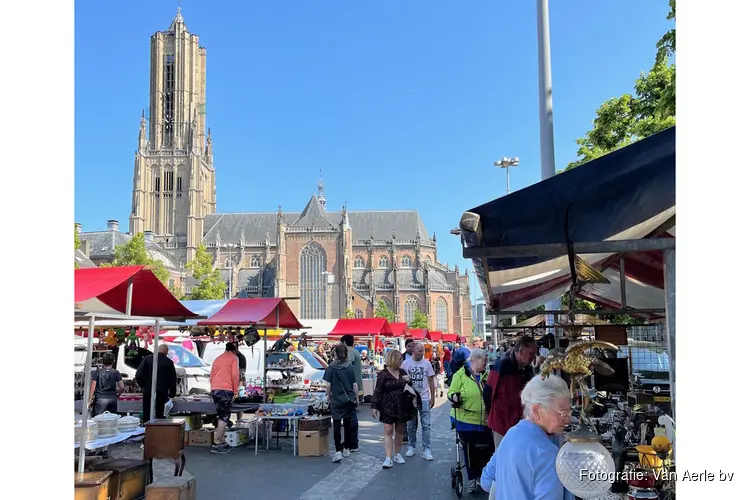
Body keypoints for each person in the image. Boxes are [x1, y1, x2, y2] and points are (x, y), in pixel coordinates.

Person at [480, 374, 573, 499]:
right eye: (563, 413)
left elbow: (486, 481)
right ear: (537, 411)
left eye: (569, 412)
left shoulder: (510, 435)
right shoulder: (548, 454)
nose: (568, 420)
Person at [448, 348, 493, 493]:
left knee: (487, 449)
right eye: (484, 360)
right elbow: (451, 392)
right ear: (475, 359)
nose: (486, 363)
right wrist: (455, 396)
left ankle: (484, 477)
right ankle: (473, 478)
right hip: (465, 420)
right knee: (470, 449)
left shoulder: (488, 375)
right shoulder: (460, 375)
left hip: (485, 420)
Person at [483, 336, 537, 447]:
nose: (534, 357)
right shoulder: (502, 366)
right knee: (503, 457)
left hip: (518, 422)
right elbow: (488, 393)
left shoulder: (526, 368)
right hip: (502, 423)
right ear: (521, 351)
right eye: (532, 353)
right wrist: (489, 413)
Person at [371, 349, 413, 469]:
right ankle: (388, 457)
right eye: (400, 358)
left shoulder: (402, 372)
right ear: (394, 359)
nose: (402, 361)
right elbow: (378, 390)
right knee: (388, 430)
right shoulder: (383, 374)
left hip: (402, 405)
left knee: (400, 430)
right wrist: (374, 406)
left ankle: (397, 454)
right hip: (387, 405)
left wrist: (409, 381)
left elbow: (410, 386)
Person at [324, 344, 359, 463]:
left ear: (335, 353)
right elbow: (354, 384)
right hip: (348, 399)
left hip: (336, 400)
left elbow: (328, 385)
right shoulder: (349, 367)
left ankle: (338, 451)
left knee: (337, 425)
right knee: (348, 425)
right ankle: (347, 448)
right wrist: (357, 398)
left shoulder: (331, 367)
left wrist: (328, 396)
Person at [401, 342, 436, 461]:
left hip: (424, 398)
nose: (422, 353)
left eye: (423, 351)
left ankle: (427, 449)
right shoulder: (405, 364)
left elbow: (431, 380)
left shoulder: (427, 363)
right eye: (420, 351)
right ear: (414, 351)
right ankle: (411, 446)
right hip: (410, 398)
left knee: (426, 424)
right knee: (411, 424)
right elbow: (402, 381)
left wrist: (433, 397)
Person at [209, 342, 239, 454]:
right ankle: (217, 442)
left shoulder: (217, 359)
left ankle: (222, 441)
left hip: (215, 389)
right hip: (226, 390)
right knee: (224, 416)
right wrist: (235, 390)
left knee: (221, 414)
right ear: (234, 350)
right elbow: (235, 375)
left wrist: (212, 387)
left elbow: (211, 375)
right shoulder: (233, 358)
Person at [135, 344, 177, 424]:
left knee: (147, 411)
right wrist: (172, 394)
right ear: (166, 352)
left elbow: (139, 375)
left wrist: (143, 386)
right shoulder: (169, 362)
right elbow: (172, 380)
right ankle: (158, 431)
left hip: (148, 390)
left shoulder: (147, 359)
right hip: (162, 391)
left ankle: (146, 428)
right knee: (160, 414)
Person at [341, 335, 362, 451]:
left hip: (351, 387)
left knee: (351, 416)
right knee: (351, 415)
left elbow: (347, 367)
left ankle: (352, 443)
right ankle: (352, 442)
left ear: (344, 342)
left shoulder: (349, 352)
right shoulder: (355, 351)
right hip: (356, 386)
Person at [89, 352, 125, 416]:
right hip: (112, 399)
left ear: (102, 361)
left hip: (100, 399)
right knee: (112, 420)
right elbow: (122, 387)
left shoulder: (97, 372)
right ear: (113, 361)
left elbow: (92, 387)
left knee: (98, 420)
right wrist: (117, 395)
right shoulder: (116, 372)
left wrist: (89, 400)